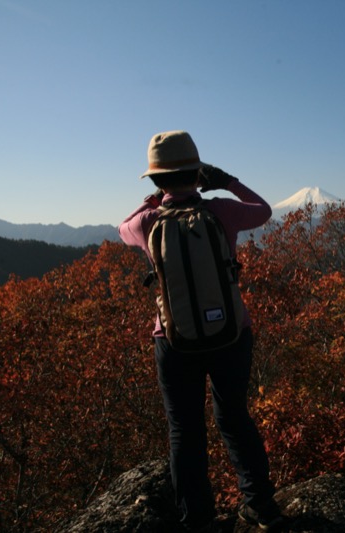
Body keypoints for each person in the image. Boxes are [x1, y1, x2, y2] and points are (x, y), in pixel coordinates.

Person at [119, 131, 281, 531]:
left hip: (174, 343)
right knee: (235, 418)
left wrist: (155, 200)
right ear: (198, 172)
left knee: (185, 430)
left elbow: (122, 227)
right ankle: (261, 506)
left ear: (155, 180)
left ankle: (198, 520)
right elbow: (263, 209)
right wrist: (226, 181)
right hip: (231, 334)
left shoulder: (147, 222)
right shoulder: (222, 212)